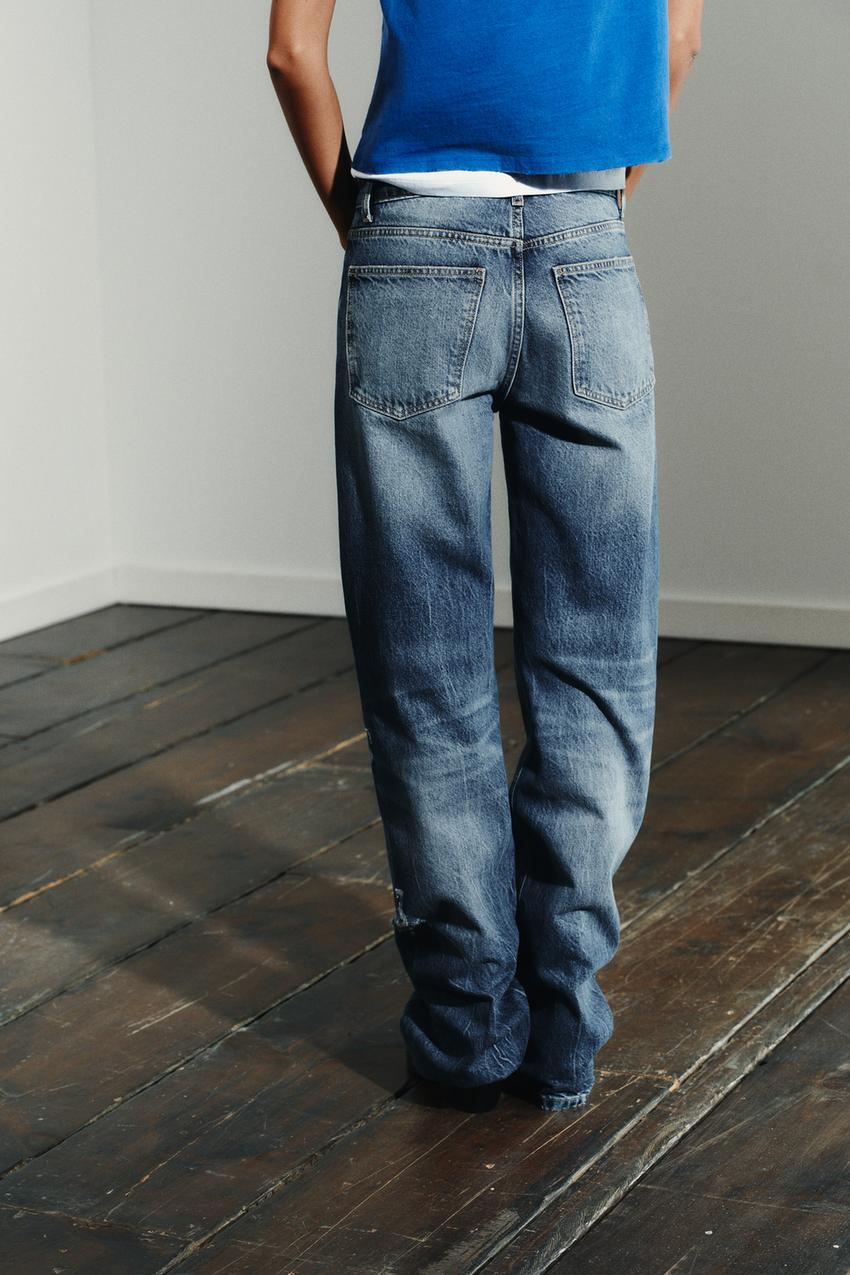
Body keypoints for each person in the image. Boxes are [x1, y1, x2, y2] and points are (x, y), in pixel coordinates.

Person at [268, 0, 704, 1113]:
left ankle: (465, 1030)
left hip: (412, 234)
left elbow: (291, 51)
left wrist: (367, 231)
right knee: (597, 668)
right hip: (584, 235)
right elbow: (679, 43)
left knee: (426, 675)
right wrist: (588, 223)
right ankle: (561, 1024)